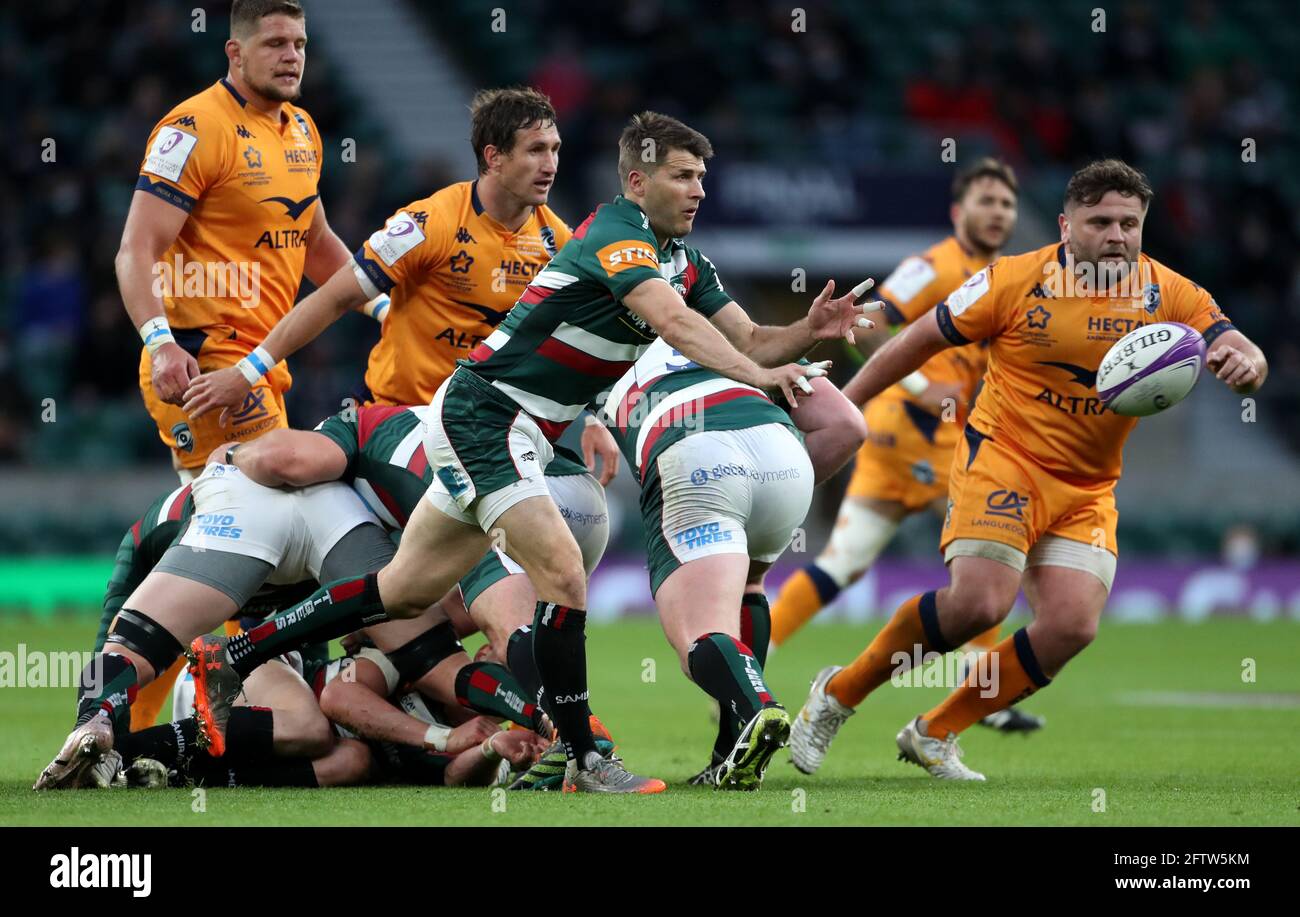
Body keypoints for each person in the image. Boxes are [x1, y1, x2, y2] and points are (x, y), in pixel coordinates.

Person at [185, 110, 877, 794]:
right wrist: (761, 379)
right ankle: (582, 755)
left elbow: (753, 340)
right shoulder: (616, 235)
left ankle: (233, 651)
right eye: (682, 176)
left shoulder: (685, 262)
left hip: (522, 428)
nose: (698, 190)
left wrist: (808, 332)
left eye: (702, 177)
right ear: (638, 181)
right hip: (485, 416)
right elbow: (672, 322)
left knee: (402, 590)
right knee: (564, 574)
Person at [791, 159, 1266, 780]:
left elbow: (1233, 340)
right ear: (1066, 225)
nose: (1117, 235)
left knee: (1071, 626)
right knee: (981, 605)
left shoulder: (1169, 293)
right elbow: (918, 339)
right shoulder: (1012, 281)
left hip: (1088, 486)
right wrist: (847, 405)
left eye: (1130, 222)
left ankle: (934, 732)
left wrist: (1245, 362)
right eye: (1101, 222)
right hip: (1006, 460)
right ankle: (837, 695)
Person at [180, 85, 623, 486]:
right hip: (399, 416)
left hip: (485, 430)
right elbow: (334, 297)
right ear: (494, 157)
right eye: (535, 150)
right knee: (303, 469)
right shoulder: (428, 223)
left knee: (579, 510)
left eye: (555, 149)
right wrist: (248, 371)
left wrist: (597, 417)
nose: (550, 165)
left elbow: (574, 342)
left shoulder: (557, 242)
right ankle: (232, 459)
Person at [598, 336, 865, 789]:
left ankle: (760, 706)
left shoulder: (597, 337)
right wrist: (784, 487)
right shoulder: (734, 330)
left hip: (697, 454)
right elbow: (847, 426)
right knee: (748, 587)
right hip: (781, 456)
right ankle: (730, 750)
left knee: (698, 637)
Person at [119, 0, 369, 481]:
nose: (291, 56)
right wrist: (160, 345)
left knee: (236, 525)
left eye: (299, 45)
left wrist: (383, 308)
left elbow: (314, 244)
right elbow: (136, 249)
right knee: (269, 505)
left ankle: (148, 553)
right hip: (203, 359)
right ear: (235, 52)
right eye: (275, 44)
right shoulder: (192, 129)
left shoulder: (301, 130)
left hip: (262, 360)